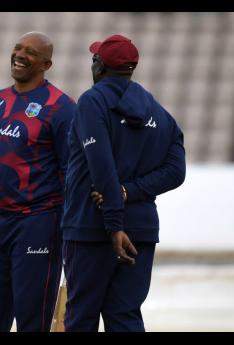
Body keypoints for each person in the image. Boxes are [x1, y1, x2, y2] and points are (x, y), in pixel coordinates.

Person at [61, 34, 186, 332]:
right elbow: (176, 170)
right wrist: (130, 192)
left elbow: (102, 167)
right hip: (141, 229)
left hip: (93, 229)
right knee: (125, 315)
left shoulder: (92, 101)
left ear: (98, 65)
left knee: (82, 316)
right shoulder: (158, 112)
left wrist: (114, 224)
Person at [0, 31, 76, 332]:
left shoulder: (62, 107)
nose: (20, 55)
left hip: (38, 223)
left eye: (31, 52)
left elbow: (72, 172)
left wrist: (68, 228)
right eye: (18, 48)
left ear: (47, 63)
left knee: (32, 319)